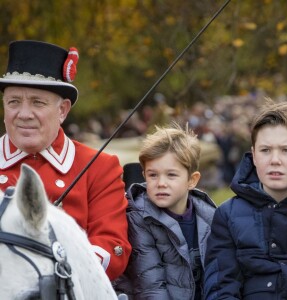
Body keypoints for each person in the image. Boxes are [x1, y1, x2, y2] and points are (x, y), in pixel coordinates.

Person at [0, 40, 131, 280]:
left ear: (63, 110)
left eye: (37, 102)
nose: (24, 114)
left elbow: (112, 247)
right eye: (14, 102)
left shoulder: (99, 167)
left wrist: (52, 270)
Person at [204, 99, 287, 299]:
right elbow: (221, 288)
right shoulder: (228, 215)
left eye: (286, 150)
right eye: (265, 150)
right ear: (254, 156)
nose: (274, 160)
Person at [114, 123, 216, 299]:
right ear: (144, 175)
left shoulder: (209, 216)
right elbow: (151, 286)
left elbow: (219, 275)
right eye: (153, 175)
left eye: (171, 175)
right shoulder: (138, 217)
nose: (161, 183)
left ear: (192, 180)